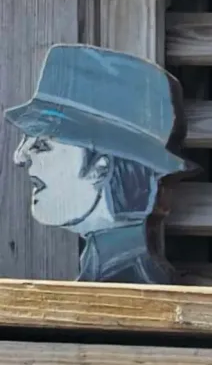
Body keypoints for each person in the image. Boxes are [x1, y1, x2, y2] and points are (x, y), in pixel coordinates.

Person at [6, 41, 186, 285]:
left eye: (42, 144)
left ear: (101, 167)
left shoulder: (127, 285)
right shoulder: (104, 269)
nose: (19, 157)